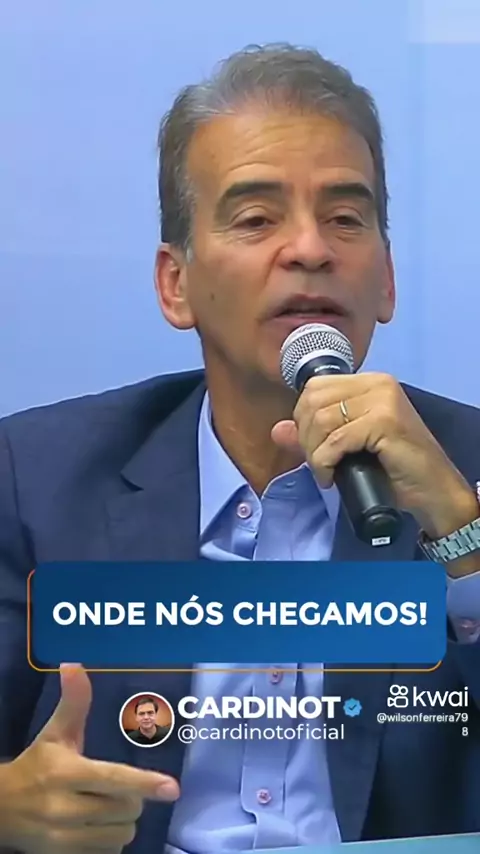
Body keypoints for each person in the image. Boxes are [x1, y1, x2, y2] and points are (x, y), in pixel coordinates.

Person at [0, 42, 479, 854]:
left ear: (386, 280)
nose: (310, 249)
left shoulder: (464, 471)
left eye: (346, 219)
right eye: (256, 219)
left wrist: (463, 537)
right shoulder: (39, 479)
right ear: (176, 284)